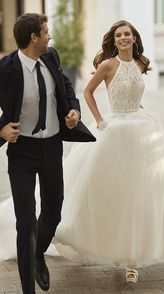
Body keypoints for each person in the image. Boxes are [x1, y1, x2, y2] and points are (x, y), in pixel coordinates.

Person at [53, 20, 164, 282]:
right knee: (113, 191)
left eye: (128, 34)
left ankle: (132, 259)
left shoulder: (141, 63)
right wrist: (99, 119)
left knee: (143, 193)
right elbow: (88, 91)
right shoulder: (108, 65)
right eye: (119, 35)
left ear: (135, 38)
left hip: (142, 128)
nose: (124, 38)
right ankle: (113, 246)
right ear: (113, 41)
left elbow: (135, 93)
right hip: (114, 129)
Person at [0, 12, 94, 294]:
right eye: (45, 31)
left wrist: (74, 110)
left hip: (52, 146)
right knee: (26, 220)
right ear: (33, 37)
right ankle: (28, 288)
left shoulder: (50, 56)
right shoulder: (6, 68)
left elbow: (66, 87)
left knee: (53, 211)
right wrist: (1, 129)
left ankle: (37, 252)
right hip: (23, 152)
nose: (49, 36)